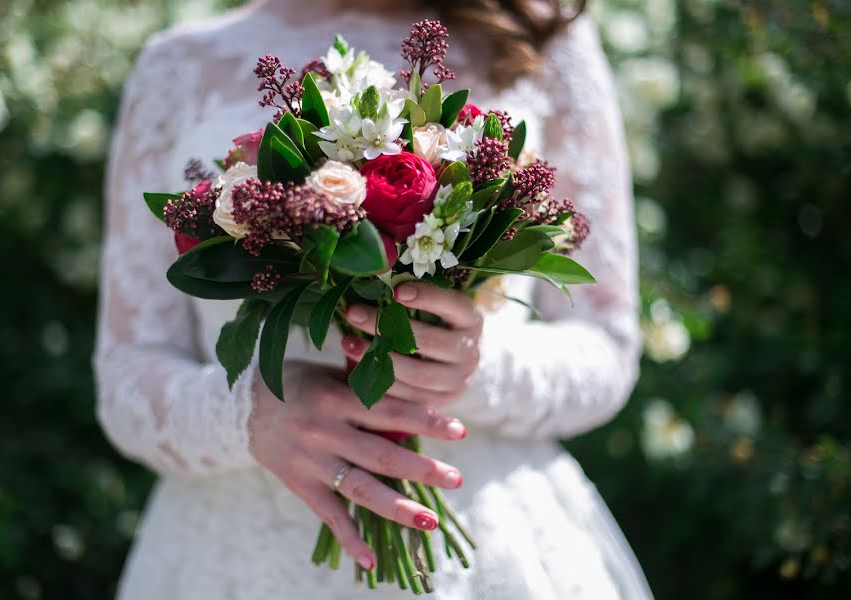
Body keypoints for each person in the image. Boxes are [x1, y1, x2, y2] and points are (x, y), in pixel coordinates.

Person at [93, 0, 652, 597]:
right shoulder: (176, 65)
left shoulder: (540, 37)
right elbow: (127, 375)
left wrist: (468, 370)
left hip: (484, 536)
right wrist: (246, 414)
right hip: (235, 550)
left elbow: (608, 347)